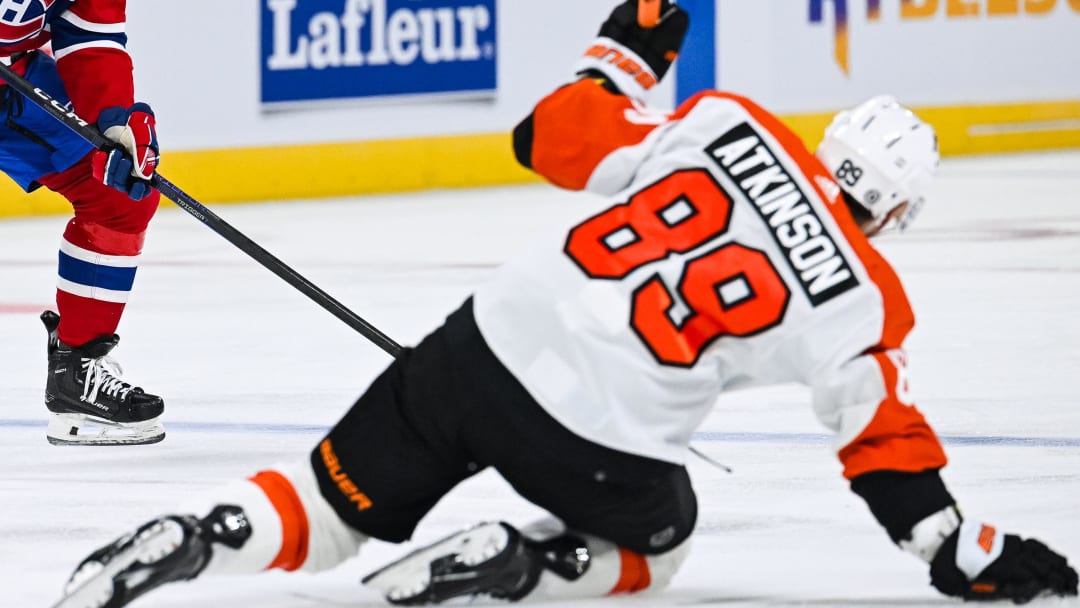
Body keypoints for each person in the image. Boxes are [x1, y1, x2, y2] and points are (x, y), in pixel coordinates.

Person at [52, 1, 1077, 606]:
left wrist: (627, 51)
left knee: (322, 512)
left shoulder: (727, 122)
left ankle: (198, 532)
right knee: (661, 535)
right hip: (603, 430)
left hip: (480, 340)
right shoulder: (864, 296)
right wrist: (976, 557)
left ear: (828, 141)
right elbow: (889, 456)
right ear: (894, 209)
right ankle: (521, 558)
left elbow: (545, 138)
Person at [1, 2, 164, 445]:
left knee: (117, 195)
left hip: (9, 82)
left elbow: (89, 31)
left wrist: (112, 115)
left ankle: (75, 371)